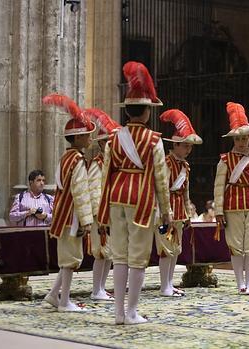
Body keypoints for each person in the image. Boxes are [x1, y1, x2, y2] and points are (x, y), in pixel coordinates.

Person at [98, 61, 171, 325]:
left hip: (116, 198)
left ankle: (118, 313)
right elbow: (161, 180)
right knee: (137, 258)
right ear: (147, 112)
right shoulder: (154, 140)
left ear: (127, 112)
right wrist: (167, 213)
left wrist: (101, 211)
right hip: (141, 201)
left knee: (119, 256)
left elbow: (106, 174)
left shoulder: (114, 138)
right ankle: (131, 312)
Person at [41, 94, 94, 312]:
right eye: (88, 135)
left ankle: (54, 295)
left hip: (62, 211)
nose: (91, 138)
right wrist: (86, 221)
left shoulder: (65, 158)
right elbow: (81, 192)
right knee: (71, 258)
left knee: (67, 258)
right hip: (72, 214)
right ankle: (64, 302)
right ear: (79, 138)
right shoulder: (78, 161)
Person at [213, 102, 249, 296]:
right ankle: (240, 283)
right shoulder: (225, 160)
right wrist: (218, 212)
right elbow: (219, 187)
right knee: (236, 246)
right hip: (232, 206)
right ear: (233, 139)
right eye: (238, 138)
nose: (242, 142)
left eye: (245, 138)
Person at [156, 109, 202, 297]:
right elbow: (162, 188)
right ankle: (163, 285)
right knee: (165, 248)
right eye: (185, 146)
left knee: (175, 249)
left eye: (190, 147)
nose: (188, 150)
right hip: (164, 212)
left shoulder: (185, 166)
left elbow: (186, 193)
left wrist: (188, 213)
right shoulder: (166, 162)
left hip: (179, 211)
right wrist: (165, 211)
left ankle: (169, 283)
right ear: (175, 144)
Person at [85, 108, 121, 302]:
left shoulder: (112, 166)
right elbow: (94, 192)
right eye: (110, 142)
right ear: (102, 143)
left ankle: (101, 288)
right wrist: (100, 217)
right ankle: (95, 289)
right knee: (100, 253)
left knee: (109, 254)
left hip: (111, 214)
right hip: (101, 216)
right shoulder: (98, 164)